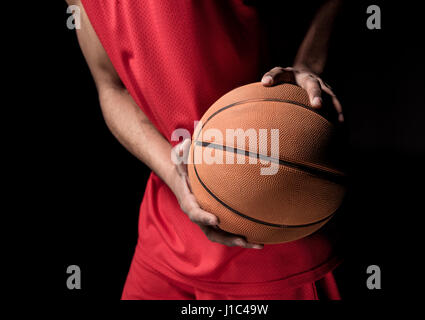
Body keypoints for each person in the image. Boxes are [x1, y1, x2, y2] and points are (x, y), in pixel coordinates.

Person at [67, 0, 344, 300]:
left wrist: (306, 68)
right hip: (167, 235)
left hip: (275, 222)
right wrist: (177, 179)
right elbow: (110, 87)